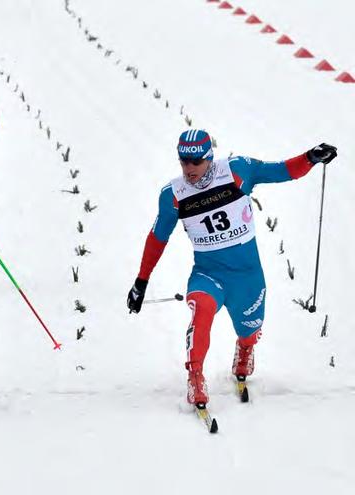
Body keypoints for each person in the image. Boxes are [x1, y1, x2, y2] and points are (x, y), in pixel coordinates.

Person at [127, 129, 337, 406]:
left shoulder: (237, 171)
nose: (189, 168)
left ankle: (245, 349)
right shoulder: (173, 195)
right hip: (207, 274)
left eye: (196, 162)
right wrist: (141, 282)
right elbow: (157, 238)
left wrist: (310, 158)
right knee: (201, 310)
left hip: (247, 277)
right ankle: (195, 378)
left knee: (249, 330)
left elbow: (282, 171)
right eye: (183, 162)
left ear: (209, 158)